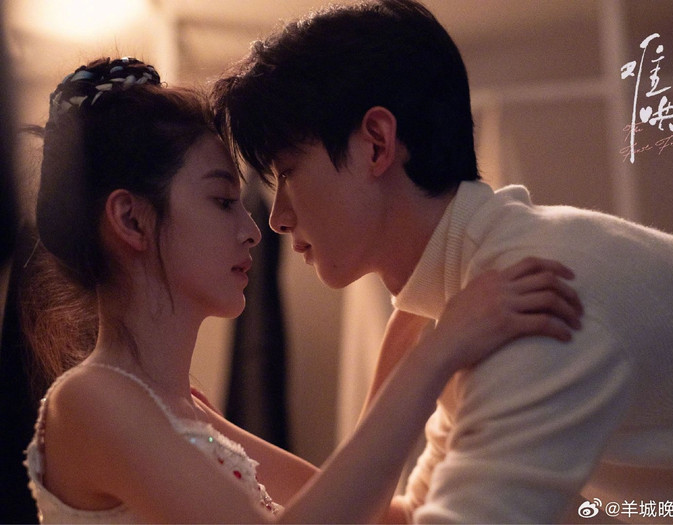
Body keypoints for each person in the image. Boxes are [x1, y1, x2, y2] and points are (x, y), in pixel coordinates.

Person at [21, 56, 583, 524]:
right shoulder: (90, 401)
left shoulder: (184, 408)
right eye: (222, 201)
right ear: (131, 219)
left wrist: (412, 321)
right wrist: (439, 352)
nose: (253, 229)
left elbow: (369, 515)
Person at [211, 0, 673, 522]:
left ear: (376, 144)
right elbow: (414, 513)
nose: (277, 219)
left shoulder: (536, 291)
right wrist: (215, 438)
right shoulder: (471, 297)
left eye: (288, 172)